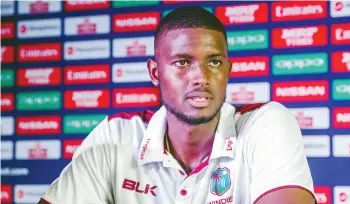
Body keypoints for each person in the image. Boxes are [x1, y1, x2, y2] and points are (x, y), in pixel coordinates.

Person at [39, 6, 316, 204]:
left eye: (215, 62)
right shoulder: (116, 135)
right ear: (155, 74)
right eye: (183, 62)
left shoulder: (265, 123)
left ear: (229, 72)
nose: (201, 77)